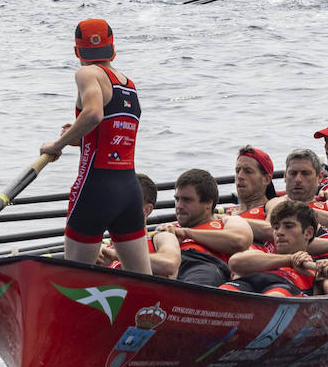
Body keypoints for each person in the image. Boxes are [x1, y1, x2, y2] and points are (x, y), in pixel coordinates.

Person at [41, 18, 151, 274]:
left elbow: (93, 114)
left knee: (74, 280)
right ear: (112, 47)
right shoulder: (129, 85)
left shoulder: (86, 73)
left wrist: (56, 145)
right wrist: (77, 137)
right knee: (145, 280)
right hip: (129, 192)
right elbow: (111, 132)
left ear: (77, 50)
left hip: (94, 189)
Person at [157, 168, 253, 286]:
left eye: (187, 200)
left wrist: (187, 233)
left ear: (208, 203)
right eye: (177, 199)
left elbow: (239, 241)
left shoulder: (227, 221)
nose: (179, 206)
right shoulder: (170, 228)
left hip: (204, 264)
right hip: (169, 264)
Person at [221, 201, 328, 296]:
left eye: (288, 226)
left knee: (276, 294)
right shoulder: (262, 255)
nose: (279, 232)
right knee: (225, 290)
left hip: (282, 293)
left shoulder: (318, 268)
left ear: (308, 233)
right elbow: (235, 262)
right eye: (276, 227)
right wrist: (290, 259)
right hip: (247, 287)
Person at [98, 173, 181, 277]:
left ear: (146, 210)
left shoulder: (161, 237)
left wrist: (117, 256)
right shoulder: (106, 248)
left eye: (125, 203)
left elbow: (169, 265)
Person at [224, 145, 277, 246]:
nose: (240, 176)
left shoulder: (274, 204)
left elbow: (273, 231)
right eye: (237, 171)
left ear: (266, 179)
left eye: (248, 171)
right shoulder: (229, 214)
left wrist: (232, 219)